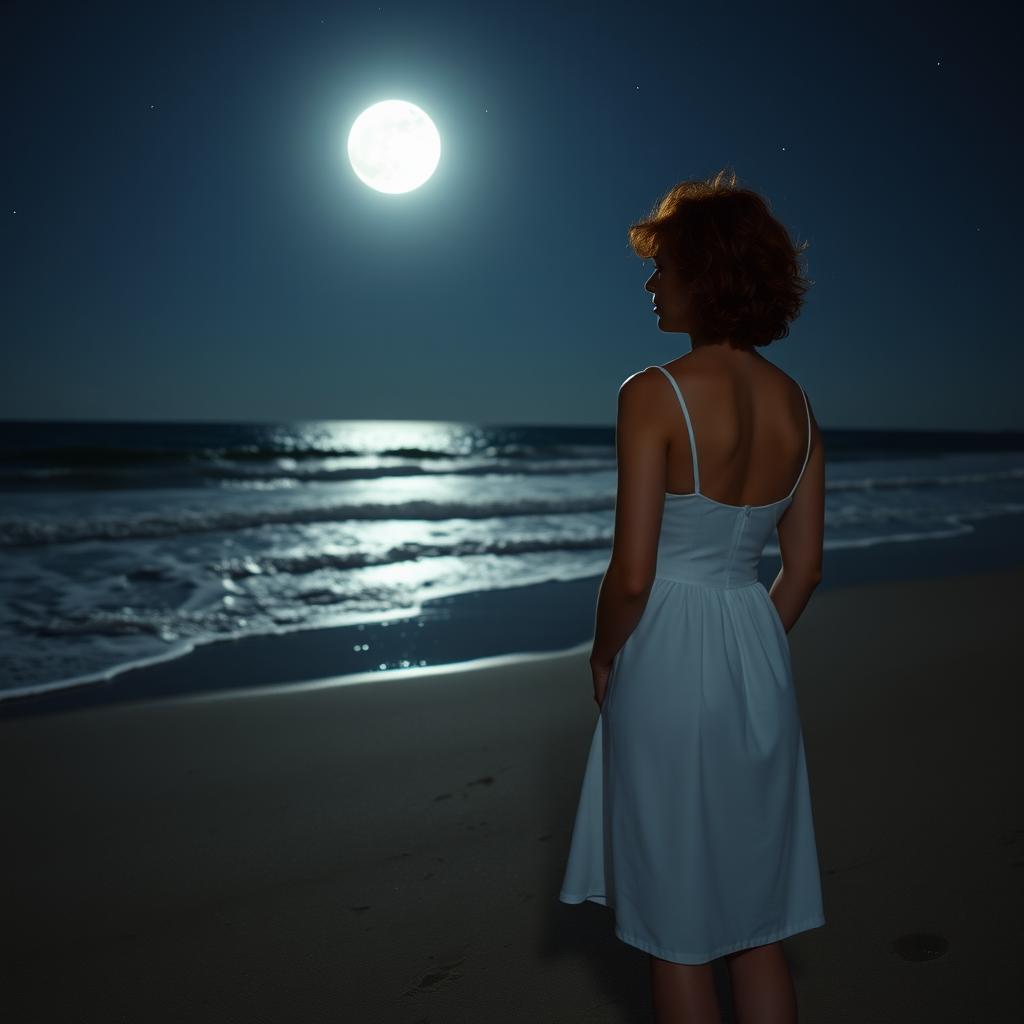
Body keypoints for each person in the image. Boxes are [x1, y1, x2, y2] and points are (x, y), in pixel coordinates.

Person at [558, 167, 827, 1024]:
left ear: (703, 276)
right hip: (756, 650)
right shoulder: (799, 408)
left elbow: (632, 572)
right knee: (757, 922)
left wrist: (606, 653)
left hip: (666, 654)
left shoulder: (654, 394)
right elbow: (806, 567)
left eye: (663, 266)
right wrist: (750, 639)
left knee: (675, 928)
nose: (651, 283)